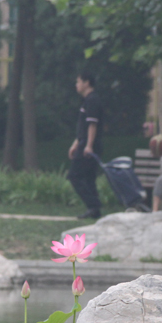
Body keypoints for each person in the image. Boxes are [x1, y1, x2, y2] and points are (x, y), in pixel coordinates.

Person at [67, 72, 103, 219]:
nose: (77, 85)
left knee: (74, 176)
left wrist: (88, 145)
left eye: (78, 82)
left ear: (87, 83)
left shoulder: (93, 100)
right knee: (88, 178)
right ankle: (95, 211)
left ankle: (94, 205)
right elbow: (83, 127)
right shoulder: (87, 100)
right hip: (83, 142)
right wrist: (75, 143)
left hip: (89, 145)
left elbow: (92, 125)